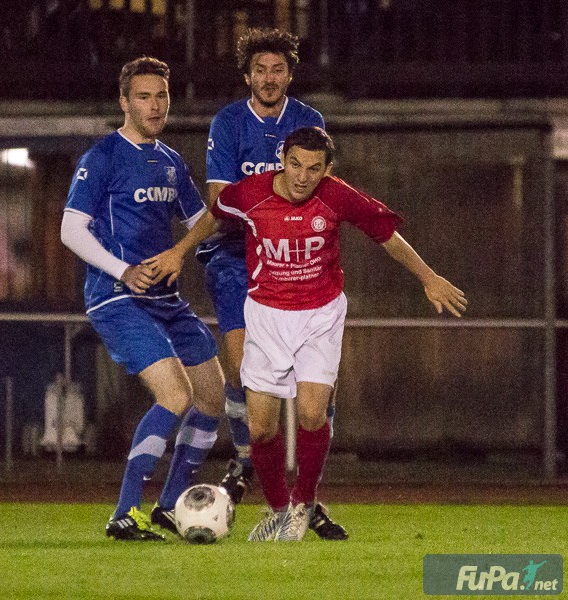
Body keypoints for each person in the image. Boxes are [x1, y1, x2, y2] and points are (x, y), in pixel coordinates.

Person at [144, 126, 468, 541]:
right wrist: (179, 250)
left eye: (313, 168)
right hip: (266, 315)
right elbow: (215, 215)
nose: (302, 176)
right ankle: (279, 510)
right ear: (283, 159)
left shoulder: (336, 195)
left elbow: (385, 234)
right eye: (295, 164)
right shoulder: (251, 193)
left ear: (326, 169)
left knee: (314, 413)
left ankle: (302, 504)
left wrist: (428, 276)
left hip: (320, 315)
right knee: (261, 428)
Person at [61, 57, 225, 541]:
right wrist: (122, 269)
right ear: (124, 102)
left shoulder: (172, 162)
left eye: (162, 96)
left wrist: (239, 244)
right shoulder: (102, 157)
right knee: (175, 395)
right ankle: (124, 512)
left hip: (166, 298)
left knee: (212, 398)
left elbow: (201, 225)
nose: (155, 106)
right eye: (144, 97)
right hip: (117, 295)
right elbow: (71, 229)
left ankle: (169, 504)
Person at [195, 26, 347, 540]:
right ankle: (245, 463)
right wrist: (272, 209)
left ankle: (307, 501)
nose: (269, 77)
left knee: (313, 397)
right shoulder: (228, 121)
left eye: (278, 69)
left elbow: (319, 192)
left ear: (289, 74)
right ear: (247, 75)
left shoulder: (309, 122)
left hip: (297, 261)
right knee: (244, 374)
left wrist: (287, 218)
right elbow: (221, 198)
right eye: (260, 69)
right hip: (237, 257)